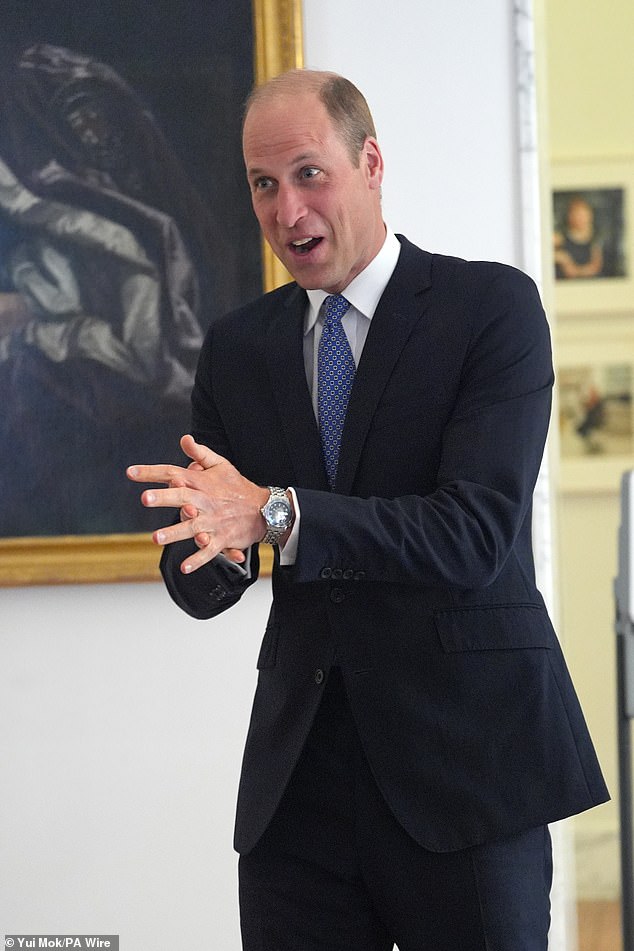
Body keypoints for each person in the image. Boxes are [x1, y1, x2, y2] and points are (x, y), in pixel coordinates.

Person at [127, 69, 609, 951]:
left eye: (309, 174)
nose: (286, 210)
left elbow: (471, 534)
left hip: (467, 770)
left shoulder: (490, 309)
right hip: (300, 790)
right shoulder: (237, 350)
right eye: (263, 185)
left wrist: (271, 515)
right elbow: (203, 580)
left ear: (371, 161)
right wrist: (216, 544)